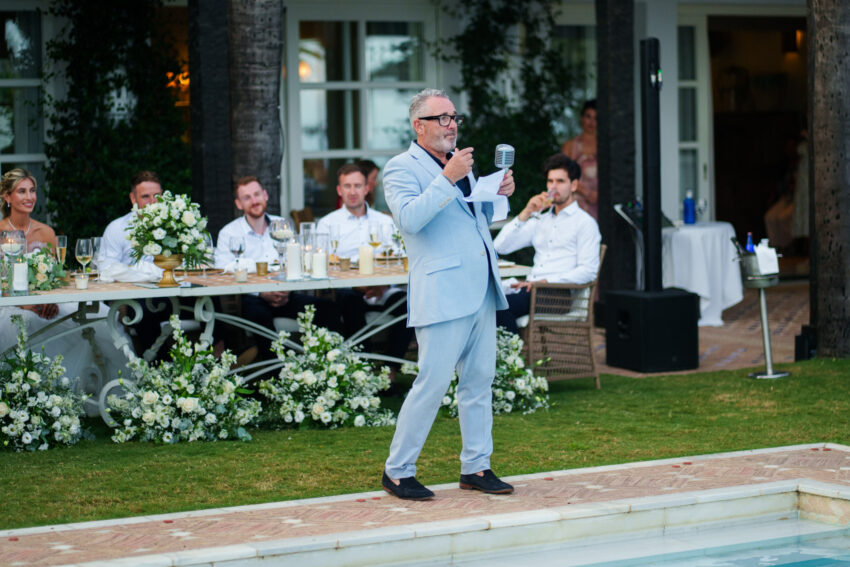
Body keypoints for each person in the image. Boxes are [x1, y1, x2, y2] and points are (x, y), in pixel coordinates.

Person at [380, 88, 515, 500]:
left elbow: (471, 219)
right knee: (432, 383)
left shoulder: (461, 168)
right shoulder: (400, 168)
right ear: (418, 125)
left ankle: (477, 466)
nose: (451, 124)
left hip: (481, 289)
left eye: (454, 117)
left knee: (479, 382)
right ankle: (398, 470)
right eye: (442, 118)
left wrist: (495, 196)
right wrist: (447, 178)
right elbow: (411, 219)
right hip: (441, 291)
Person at [0, 168, 124, 410]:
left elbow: (54, 277)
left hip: (44, 302)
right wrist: (26, 304)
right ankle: (31, 401)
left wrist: (50, 300)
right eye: (22, 191)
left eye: (33, 191)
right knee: (21, 324)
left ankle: (107, 396)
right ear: (7, 197)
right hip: (9, 303)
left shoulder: (45, 232)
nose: (29, 197)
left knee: (98, 316)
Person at [215, 176, 342, 359]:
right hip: (252, 299)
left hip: (286, 295)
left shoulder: (281, 224)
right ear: (239, 204)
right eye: (247, 197)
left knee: (328, 308)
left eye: (257, 194)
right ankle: (273, 373)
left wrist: (287, 290)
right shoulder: (229, 233)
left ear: (265, 195)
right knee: (259, 315)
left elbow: (297, 260)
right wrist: (260, 292)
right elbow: (223, 271)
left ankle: (327, 367)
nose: (254, 201)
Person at [316, 164, 413, 378]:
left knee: (410, 306)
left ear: (366, 189)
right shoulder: (327, 224)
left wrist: (383, 285)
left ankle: (391, 371)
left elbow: (398, 256)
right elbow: (323, 266)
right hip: (349, 289)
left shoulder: (385, 222)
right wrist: (358, 285)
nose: (352, 192)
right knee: (351, 304)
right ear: (339, 190)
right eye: (347, 186)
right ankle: (362, 372)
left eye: (357, 186)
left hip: (384, 288)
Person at [493, 153, 602, 334]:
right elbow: (500, 247)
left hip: (558, 294)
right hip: (533, 290)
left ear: (573, 185)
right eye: (550, 181)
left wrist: (545, 281)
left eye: (560, 181)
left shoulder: (585, 223)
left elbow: (588, 271)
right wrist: (526, 213)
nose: (553, 187)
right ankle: (511, 356)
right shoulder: (540, 220)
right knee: (489, 302)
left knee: (501, 307)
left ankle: (512, 359)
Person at [98, 171, 163, 274]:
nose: (152, 201)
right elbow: (106, 270)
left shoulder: (176, 226)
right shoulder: (117, 228)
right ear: (133, 198)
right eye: (145, 196)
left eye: (157, 195)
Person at [561, 100, 598, 220]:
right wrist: (586, 192)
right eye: (588, 116)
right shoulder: (570, 146)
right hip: (576, 202)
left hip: (600, 203)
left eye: (595, 118)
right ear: (582, 118)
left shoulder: (605, 147)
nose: (591, 122)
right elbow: (563, 176)